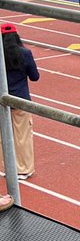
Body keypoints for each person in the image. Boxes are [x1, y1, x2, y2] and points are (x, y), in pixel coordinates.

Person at [1, 23, 40, 180]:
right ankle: (24, 169)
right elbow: (35, 77)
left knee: (3, 135)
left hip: (2, 99)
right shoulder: (25, 53)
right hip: (21, 100)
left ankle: (9, 166)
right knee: (22, 136)